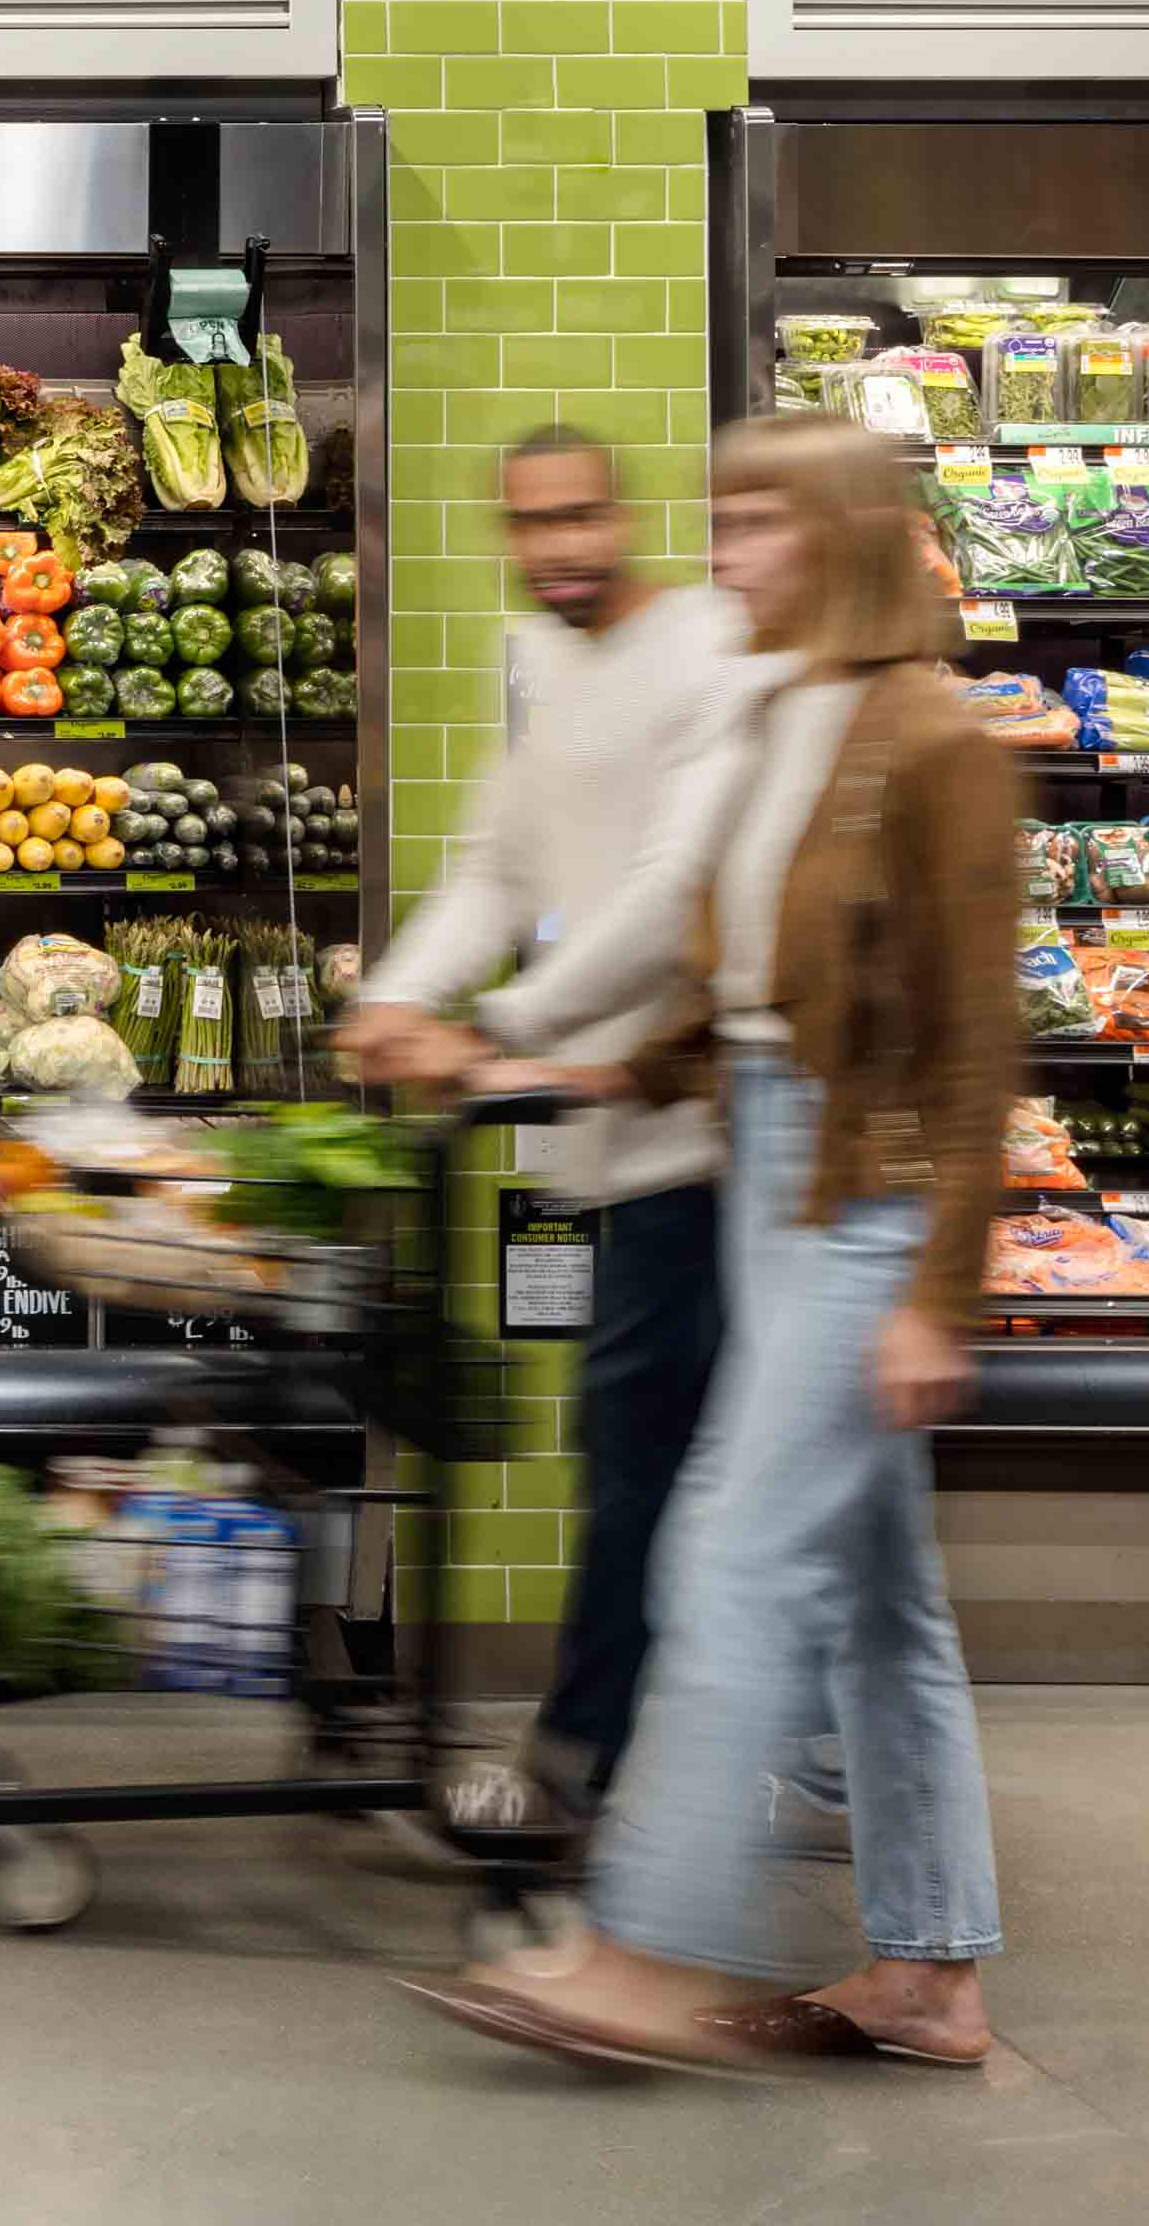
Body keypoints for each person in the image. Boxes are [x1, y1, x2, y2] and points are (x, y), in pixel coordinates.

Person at [402, 413, 1025, 2078]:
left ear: (837, 538)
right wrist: (560, 1062)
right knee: (882, 1603)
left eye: (755, 524)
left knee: (731, 1559)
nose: (722, 555)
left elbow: (975, 1054)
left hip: (859, 1200)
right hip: (762, 1160)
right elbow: (733, 991)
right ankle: (931, 1974)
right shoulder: (781, 717)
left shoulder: (934, 740)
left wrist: (936, 1296)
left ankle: (647, 1955)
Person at [340, 425, 762, 1832]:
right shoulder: (547, 662)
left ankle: (580, 1775)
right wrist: (396, 997)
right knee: (641, 1453)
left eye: (580, 518)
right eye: (531, 525)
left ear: (625, 515)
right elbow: (498, 869)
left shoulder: (704, 652)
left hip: (701, 1137)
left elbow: (665, 892)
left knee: (635, 1459)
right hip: (604, 1134)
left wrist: (497, 1033)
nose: (559, 547)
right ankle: (684, 1761)